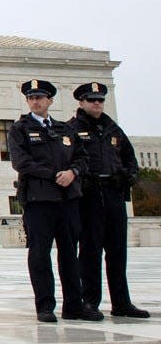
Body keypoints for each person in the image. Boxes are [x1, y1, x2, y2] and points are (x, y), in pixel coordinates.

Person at [8, 79, 99, 323]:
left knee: (70, 253)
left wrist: (73, 173)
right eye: (31, 98)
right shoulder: (20, 129)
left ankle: (74, 305)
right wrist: (54, 175)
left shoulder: (63, 129)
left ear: (50, 100)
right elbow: (21, 162)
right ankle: (45, 306)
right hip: (39, 200)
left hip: (67, 199)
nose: (36, 101)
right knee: (40, 254)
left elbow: (82, 157)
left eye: (40, 97)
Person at [68, 82, 150, 319]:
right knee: (90, 251)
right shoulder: (72, 129)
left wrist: (129, 176)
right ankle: (90, 301)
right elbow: (69, 159)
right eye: (91, 100)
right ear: (81, 102)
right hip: (89, 196)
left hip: (113, 193)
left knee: (117, 251)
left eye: (100, 100)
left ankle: (122, 302)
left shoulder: (113, 129)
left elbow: (130, 158)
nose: (97, 103)